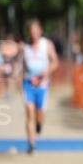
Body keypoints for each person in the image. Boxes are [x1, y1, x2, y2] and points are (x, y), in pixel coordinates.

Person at [22, 20, 59, 154]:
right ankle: (31, 144)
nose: (34, 33)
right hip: (28, 84)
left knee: (39, 115)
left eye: (36, 30)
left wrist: (46, 72)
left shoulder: (47, 45)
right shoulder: (26, 47)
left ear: (40, 31)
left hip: (43, 85)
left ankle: (39, 124)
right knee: (29, 113)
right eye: (31, 31)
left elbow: (55, 62)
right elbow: (23, 66)